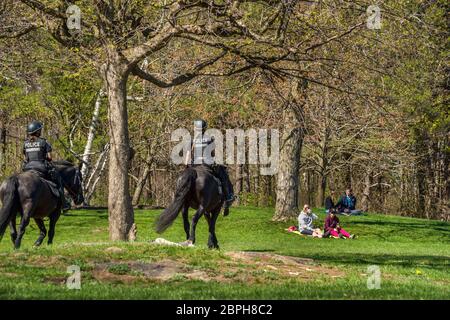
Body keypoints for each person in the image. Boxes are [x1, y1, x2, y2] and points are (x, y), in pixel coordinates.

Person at [184, 119, 235, 213]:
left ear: (195, 128)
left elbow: (187, 157)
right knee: (223, 174)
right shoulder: (209, 139)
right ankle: (228, 197)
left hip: (194, 165)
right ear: (205, 128)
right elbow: (213, 154)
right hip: (207, 164)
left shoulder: (191, 140)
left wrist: (187, 166)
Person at [23, 121, 66, 208]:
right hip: (41, 167)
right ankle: (64, 203)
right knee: (58, 180)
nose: (40, 131)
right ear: (38, 131)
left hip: (27, 168)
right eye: (40, 130)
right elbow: (50, 158)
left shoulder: (25, 143)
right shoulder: (44, 142)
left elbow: (25, 158)